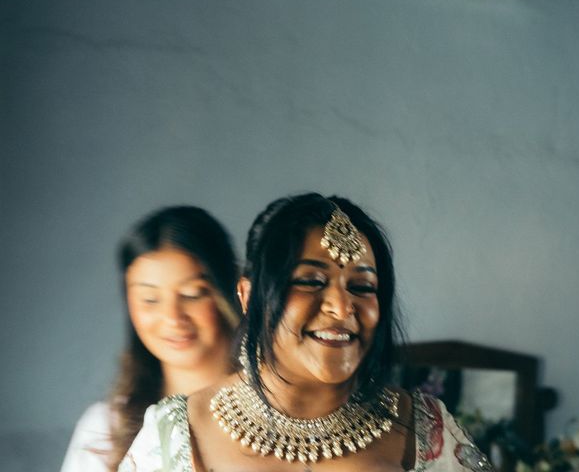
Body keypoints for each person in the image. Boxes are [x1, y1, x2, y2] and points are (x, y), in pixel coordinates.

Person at [119, 193, 492, 472]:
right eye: (311, 281)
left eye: (362, 288)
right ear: (249, 296)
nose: (342, 307)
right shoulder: (178, 431)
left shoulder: (424, 428)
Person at [61, 206, 241, 472]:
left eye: (192, 294)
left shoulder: (280, 409)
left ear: (232, 292)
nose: (172, 317)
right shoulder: (105, 429)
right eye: (150, 300)